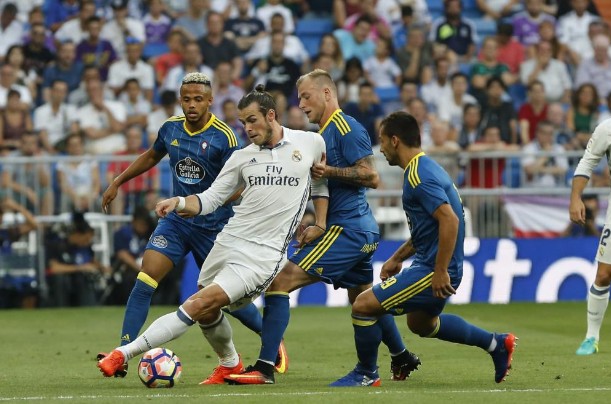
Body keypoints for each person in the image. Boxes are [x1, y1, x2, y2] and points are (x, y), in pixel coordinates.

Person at [98, 84, 328, 384]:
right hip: (228, 240)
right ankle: (230, 363)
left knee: (197, 304)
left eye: (252, 121)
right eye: (243, 122)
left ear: (271, 115)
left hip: (262, 253)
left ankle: (123, 353)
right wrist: (179, 202)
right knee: (207, 308)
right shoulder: (242, 157)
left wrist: (320, 220)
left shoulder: (310, 142)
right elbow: (209, 198)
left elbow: (321, 181)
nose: (247, 129)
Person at [225, 69, 419, 386]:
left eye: (306, 96)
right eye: (298, 98)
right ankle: (401, 355)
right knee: (365, 300)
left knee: (280, 282)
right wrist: (316, 220)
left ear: (326, 93)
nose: (300, 104)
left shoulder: (345, 128)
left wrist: (329, 171)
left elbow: (371, 177)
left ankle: (264, 368)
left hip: (350, 230)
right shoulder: (320, 134)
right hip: (354, 229)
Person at [344, 110, 516, 385]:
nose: (382, 148)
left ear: (395, 140)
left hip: (434, 268)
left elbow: (449, 220)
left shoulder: (419, 176)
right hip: (435, 263)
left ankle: (365, 374)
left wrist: (439, 271)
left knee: (363, 305)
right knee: (421, 325)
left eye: (383, 140)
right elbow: (430, 228)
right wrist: (396, 258)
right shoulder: (425, 168)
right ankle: (496, 344)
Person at [569, 78, 611, 356]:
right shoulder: (609, 128)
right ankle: (591, 338)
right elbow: (587, 162)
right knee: (604, 275)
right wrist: (575, 198)